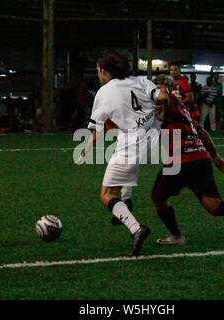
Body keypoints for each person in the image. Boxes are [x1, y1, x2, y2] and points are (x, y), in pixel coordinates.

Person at [76, 52, 168, 256]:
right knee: (125, 159)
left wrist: (84, 152)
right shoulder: (139, 81)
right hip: (152, 140)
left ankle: (136, 229)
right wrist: (161, 111)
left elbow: (97, 131)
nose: (98, 74)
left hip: (131, 144)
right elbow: (162, 97)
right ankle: (126, 199)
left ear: (105, 71)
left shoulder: (104, 92)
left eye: (99, 70)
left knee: (107, 194)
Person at [152, 74, 224, 244]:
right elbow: (201, 132)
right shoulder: (183, 108)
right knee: (213, 205)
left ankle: (176, 236)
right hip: (201, 157)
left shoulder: (166, 99)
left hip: (180, 160)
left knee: (158, 196)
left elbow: (162, 98)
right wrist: (215, 156)